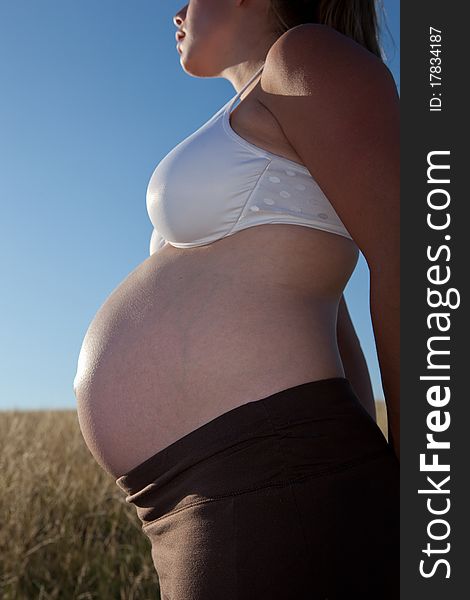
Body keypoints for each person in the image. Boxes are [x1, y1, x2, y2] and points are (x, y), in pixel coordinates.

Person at [74, 1, 399, 598]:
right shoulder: (259, 106)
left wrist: (433, 511)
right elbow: (331, 319)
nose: (176, 11)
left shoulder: (307, 57)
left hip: (269, 477)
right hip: (206, 494)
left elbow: (415, 262)